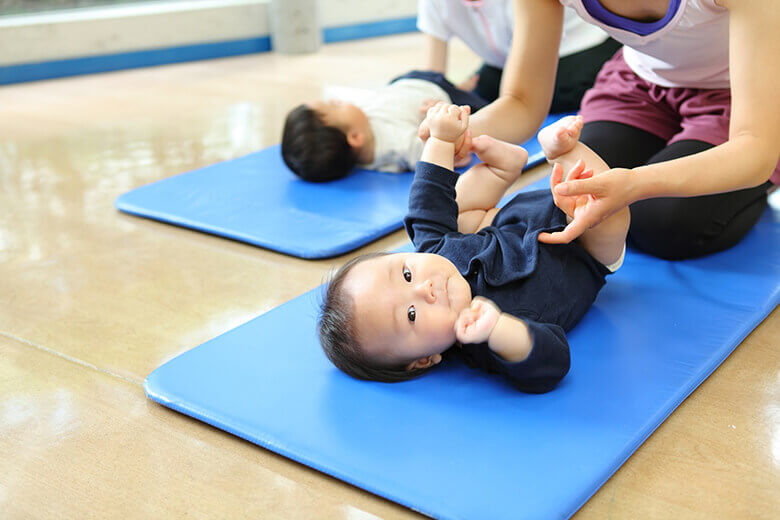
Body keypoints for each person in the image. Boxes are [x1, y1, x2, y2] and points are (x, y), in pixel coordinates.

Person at [318, 103, 628, 392]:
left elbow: (427, 203)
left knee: (454, 214)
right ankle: (565, 151)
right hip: (585, 249)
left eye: (406, 274)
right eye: (411, 314)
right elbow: (553, 361)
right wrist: (497, 329)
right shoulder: (482, 340)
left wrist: (440, 139)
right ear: (425, 359)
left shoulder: (434, 254)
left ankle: (502, 170)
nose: (425, 289)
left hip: (518, 217)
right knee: (612, 215)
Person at [464, 0, 780, 260]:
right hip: (642, 83)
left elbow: (753, 147)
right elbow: (522, 101)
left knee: (662, 222)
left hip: (747, 90)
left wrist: (634, 183)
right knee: (577, 193)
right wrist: (466, 131)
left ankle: (757, 184)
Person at [281, 71, 485, 182]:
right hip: (440, 93)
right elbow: (450, 155)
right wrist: (441, 117)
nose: (337, 99)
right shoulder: (400, 146)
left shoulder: (359, 124)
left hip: (405, 82)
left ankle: (461, 85)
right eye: (336, 105)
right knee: (483, 105)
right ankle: (465, 90)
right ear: (354, 138)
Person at [417, 0, 620, 110]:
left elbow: (521, 93)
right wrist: (439, 97)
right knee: (478, 90)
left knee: (559, 91)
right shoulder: (434, 3)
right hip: (506, 61)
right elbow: (431, 76)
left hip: (578, 49)